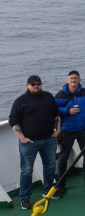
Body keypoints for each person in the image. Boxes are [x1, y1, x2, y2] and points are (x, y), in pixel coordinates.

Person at [9, 75, 60, 209]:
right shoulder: (20, 101)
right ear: (27, 85)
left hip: (49, 139)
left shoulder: (49, 96)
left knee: (50, 166)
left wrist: (58, 129)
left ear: (41, 84)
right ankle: (24, 198)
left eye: (38, 83)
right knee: (26, 170)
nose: (36, 85)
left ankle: (48, 191)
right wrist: (22, 138)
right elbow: (13, 121)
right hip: (29, 142)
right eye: (33, 84)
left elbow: (57, 114)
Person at [55, 71, 85, 193]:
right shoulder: (60, 95)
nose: (73, 81)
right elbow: (54, 109)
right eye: (71, 78)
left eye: (76, 78)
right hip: (67, 130)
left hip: (83, 129)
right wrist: (68, 111)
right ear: (67, 80)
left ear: (79, 80)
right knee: (63, 157)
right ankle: (61, 182)